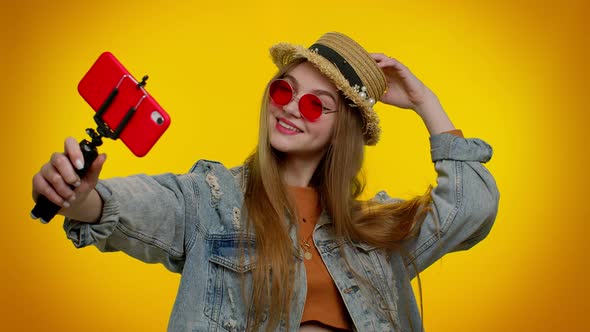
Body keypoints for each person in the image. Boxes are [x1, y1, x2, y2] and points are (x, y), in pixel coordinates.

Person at [31, 32, 499, 331]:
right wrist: (78, 197)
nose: (293, 106)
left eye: (317, 104)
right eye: (284, 89)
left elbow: (471, 207)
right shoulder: (209, 199)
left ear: (342, 131)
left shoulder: (376, 234)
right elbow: (123, 207)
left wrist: (424, 101)